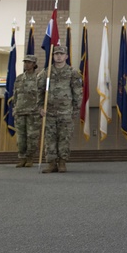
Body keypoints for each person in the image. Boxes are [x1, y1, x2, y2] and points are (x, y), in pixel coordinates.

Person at [41, 45, 83, 173]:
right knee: (50, 138)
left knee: (64, 137)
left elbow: (77, 92)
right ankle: (51, 163)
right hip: (50, 111)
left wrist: (76, 110)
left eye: (61, 54)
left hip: (66, 111)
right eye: (56, 54)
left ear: (66, 56)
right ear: (53, 56)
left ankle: (62, 162)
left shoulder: (72, 73)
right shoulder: (46, 72)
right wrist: (40, 106)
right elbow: (40, 90)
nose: (58, 56)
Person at [12, 54, 43, 167]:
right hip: (20, 111)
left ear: (34, 64)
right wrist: (15, 108)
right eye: (25, 62)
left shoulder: (39, 78)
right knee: (21, 137)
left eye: (29, 62)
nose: (26, 64)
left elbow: (42, 95)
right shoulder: (19, 78)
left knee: (32, 137)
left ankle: (30, 158)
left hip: (33, 112)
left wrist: (41, 109)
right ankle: (22, 157)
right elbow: (15, 95)